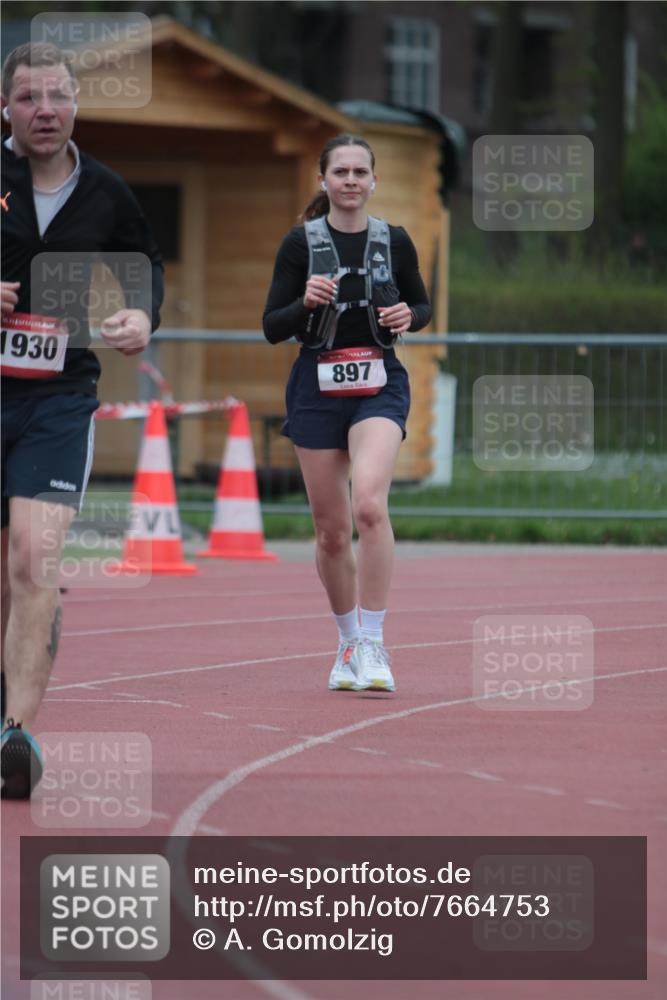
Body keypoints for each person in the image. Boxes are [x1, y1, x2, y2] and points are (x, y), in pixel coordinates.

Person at [1, 43, 164, 798]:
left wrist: (140, 314)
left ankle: (16, 736)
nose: (44, 110)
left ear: (75, 105)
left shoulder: (105, 190)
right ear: (6, 108)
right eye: (29, 97)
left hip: (59, 396)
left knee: (34, 560)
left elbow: (143, 266)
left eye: (57, 97)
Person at [263, 133, 431, 693]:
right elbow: (271, 325)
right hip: (316, 384)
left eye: (361, 172)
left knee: (369, 507)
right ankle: (348, 643)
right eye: (342, 172)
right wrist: (304, 302)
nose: (352, 181)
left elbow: (421, 304)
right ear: (324, 181)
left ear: (374, 181)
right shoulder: (300, 243)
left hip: (378, 384)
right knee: (332, 532)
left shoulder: (394, 240)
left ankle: (376, 641)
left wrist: (411, 315)